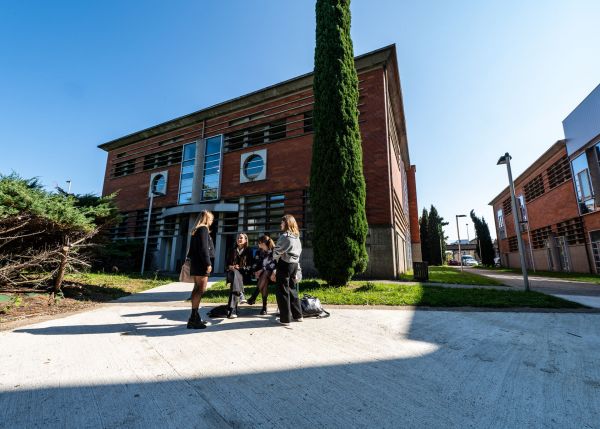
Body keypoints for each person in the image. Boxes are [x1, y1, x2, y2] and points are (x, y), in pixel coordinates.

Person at [187, 210, 215, 329]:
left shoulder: (196, 230)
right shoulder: (203, 229)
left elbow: (191, 251)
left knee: (196, 289)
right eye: (211, 219)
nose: (212, 221)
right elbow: (204, 248)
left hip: (196, 263)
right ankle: (194, 318)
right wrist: (208, 263)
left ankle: (194, 318)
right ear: (206, 218)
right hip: (201, 264)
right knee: (200, 290)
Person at [273, 214, 303, 326]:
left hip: (284, 263)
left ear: (287, 223)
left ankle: (285, 319)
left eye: (282, 222)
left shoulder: (285, 236)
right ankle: (298, 315)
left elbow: (277, 251)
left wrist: (275, 256)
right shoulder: (296, 237)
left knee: (282, 291)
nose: (280, 224)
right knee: (291, 289)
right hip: (294, 264)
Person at [247, 235, 276, 315]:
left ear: (263, 243)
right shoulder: (259, 252)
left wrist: (262, 270)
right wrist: (255, 272)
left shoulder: (274, 251)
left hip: (273, 276)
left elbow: (274, 265)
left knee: (266, 272)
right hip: (263, 277)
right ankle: (264, 307)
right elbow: (254, 264)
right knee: (264, 280)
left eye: (259, 243)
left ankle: (254, 296)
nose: (258, 245)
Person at [225, 233, 252, 318]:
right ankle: (241, 293)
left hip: (243, 275)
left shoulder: (248, 251)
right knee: (234, 272)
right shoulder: (231, 250)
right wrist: (232, 267)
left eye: (241, 238)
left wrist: (240, 268)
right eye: (237, 238)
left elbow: (250, 266)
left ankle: (232, 310)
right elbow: (226, 265)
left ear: (245, 240)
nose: (239, 239)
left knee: (234, 283)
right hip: (231, 274)